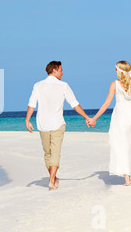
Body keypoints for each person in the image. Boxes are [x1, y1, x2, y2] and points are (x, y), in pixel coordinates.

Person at [26, 61, 91, 190]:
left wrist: (27, 120)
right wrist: (86, 117)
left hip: (43, 124)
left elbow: (32, 104)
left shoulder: (38, 85)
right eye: (61, 70)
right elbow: (74, 104)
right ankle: (52, 179)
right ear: (54, 70)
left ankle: (53, 179)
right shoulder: (63, 86)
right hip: (57, 123)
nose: (62, 72)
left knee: (48, 153)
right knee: (55, 152)